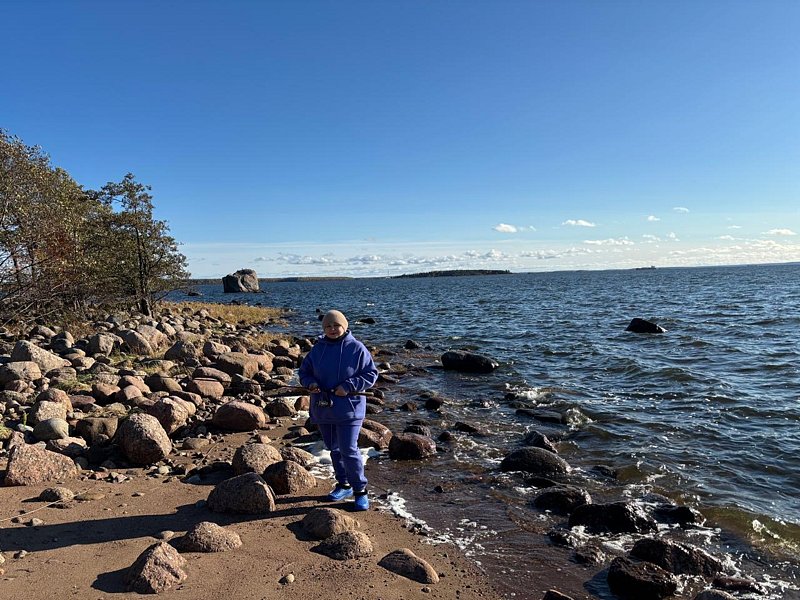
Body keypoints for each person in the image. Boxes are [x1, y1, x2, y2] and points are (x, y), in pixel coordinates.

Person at [298, 309, 378, 511]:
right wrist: (311, 384)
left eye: (336, 325)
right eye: (328, 326)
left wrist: (349, 386)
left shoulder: (357, 348)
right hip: (324, 408)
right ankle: (343, 484)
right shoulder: (318, 348)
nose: (332, 329)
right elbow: (304, 372)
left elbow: (371, 374)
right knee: (334, 449)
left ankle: (360, 491)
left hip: (350, 410)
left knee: (349, 450)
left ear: (345, 326)